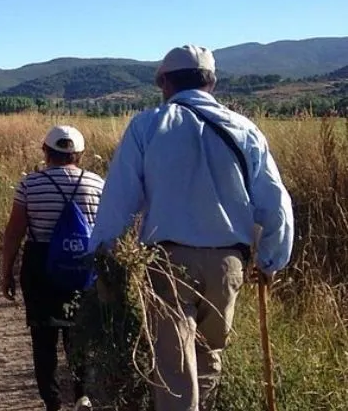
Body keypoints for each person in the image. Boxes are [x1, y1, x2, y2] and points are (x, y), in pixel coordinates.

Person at [88, 45, 295, 411]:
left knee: (174, 368)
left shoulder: (148, 125)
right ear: (211, 82)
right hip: (228, 264)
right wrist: (270, 260)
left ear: (165, 83)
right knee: (208, 353)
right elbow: (275, 201)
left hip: (168, 262)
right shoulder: (245, 129)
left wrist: (103, 253)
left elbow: (119, 198)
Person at [0, 125, 103, 411]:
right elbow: (106, 233)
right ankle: (83, 393)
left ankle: (53, 402)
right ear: (79, 154)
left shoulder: (30, 185)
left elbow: (14, 233)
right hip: (83, 268)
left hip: (41, 266)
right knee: (79, 334)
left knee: (43, 339)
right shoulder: (97, 184)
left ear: (46, 152)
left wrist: (6, 272)